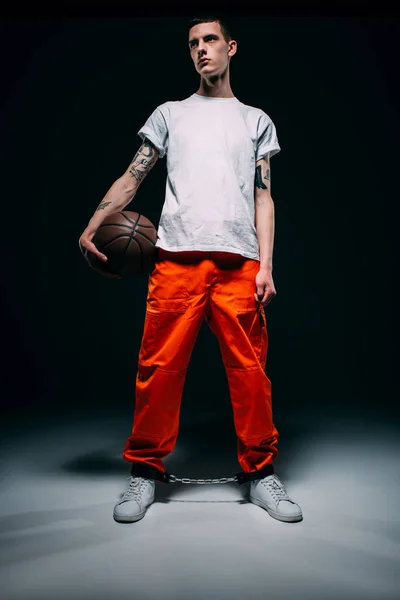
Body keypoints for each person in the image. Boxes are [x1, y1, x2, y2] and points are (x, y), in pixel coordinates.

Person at [79, 14, 303, 524]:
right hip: (175, 259)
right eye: (193, 44)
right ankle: (145, 472)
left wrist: (267, 264)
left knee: (250, 374)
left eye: (210, 41)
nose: (201, 50)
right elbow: (132, 177)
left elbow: (264, 196)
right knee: (157, 372)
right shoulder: (169, 114)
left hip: (239, 263)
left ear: (231, 48)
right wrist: (93, 224)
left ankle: (261, 473)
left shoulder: (255, 120)